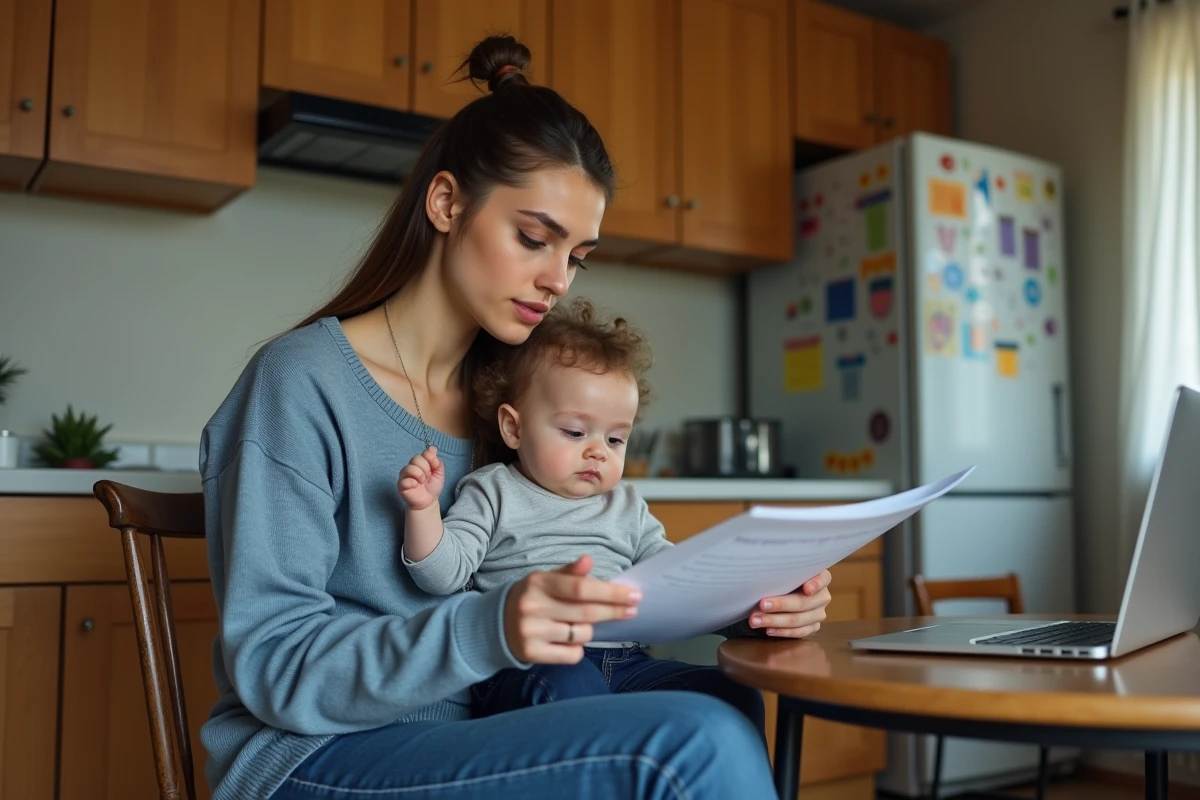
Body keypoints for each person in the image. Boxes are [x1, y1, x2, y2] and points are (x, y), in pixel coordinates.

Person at [200, 34, 832, 800]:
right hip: (315, 755)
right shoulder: (301, 381)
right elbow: (274, 667)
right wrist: (489, 627)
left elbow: (595, 565)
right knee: (690, 745)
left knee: (723, 701)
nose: (557, 279)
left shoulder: (518, 401)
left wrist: (746, 606)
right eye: (534, 238)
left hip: (482, 730)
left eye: (577, 257)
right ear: (446, 204)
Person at [398, 298, 764, 727]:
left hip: (627, 663)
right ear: (514, 428)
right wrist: (423, 510)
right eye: (575, 432)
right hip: (531, 661)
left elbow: (673, 579)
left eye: (615, 439)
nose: (598, 452)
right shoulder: (494, 490)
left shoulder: (626, 504)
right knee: (568, 689)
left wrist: (752, 592)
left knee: (731, 695)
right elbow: (442, 576)